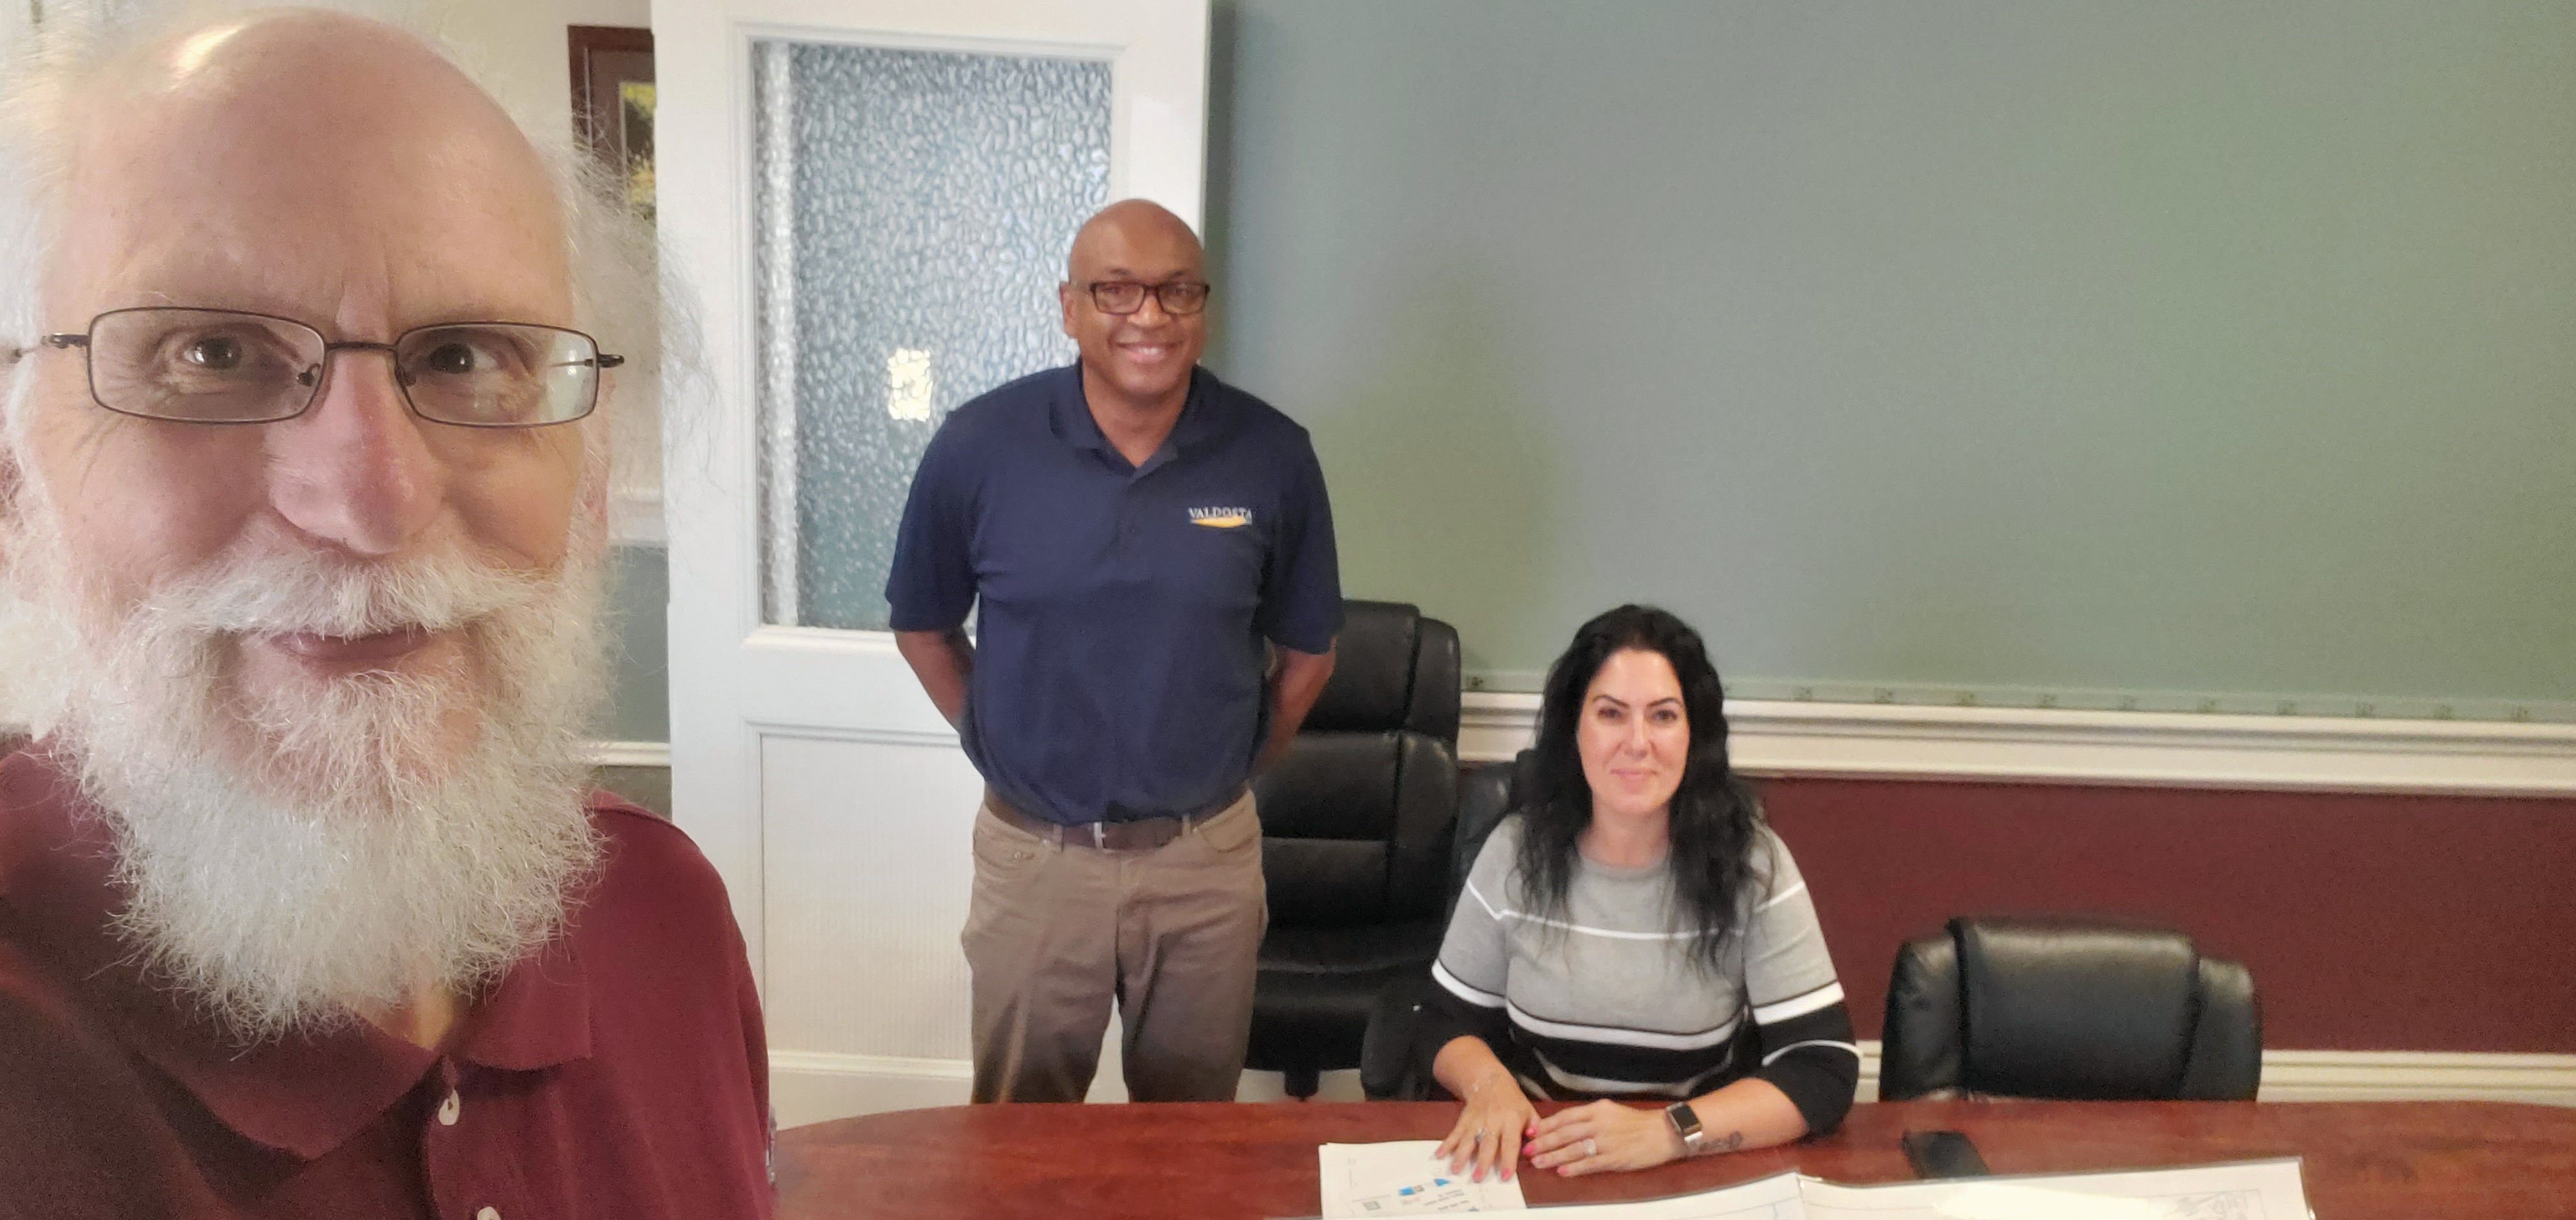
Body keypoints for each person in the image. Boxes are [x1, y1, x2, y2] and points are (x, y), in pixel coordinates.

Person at [0, 10, 771, 1216]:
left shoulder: (661, 912)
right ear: (14, 486)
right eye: (210, 353)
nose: (372, 500)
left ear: (589, 486)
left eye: (465, 358)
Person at [886, 199, 1341, 1103]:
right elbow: (923, 626)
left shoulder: (1272, 456)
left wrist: (1236, 764)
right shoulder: (981, 448)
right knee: (1020, 1141)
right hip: (1036, 860)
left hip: (1204, 865)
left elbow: (1308, 654)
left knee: (1189, 1152)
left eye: (1177, 291)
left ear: (1203, 308)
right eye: (1117, 291)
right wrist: (994, 737)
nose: (1149, 317)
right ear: (1069, 306)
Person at [1422, 605, 1859, 1182]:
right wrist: (1491, 1086)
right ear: (1574, 728)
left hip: (1692, 1166)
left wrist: (1668, 1132)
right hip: (1537, 1157)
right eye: (1610, 714)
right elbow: (1441, 1019)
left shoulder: (1753, 865)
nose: (1637, 743)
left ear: (1693, 734)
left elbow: (1821, 1068)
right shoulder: (1515, 851)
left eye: (1663, 716)